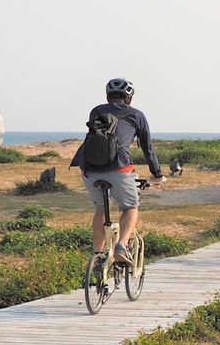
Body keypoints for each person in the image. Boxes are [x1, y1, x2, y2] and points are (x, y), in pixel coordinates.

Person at [70, 78, 166, 264]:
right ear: (129, 98)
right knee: (130, 208)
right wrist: (158, 174)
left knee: (100, 210)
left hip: (89, 168)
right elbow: (148, 149)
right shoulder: (137, 115)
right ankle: (121, 245)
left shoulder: (96, 111)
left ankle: (97, 256)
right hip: (120, 167)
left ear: (107, 97)